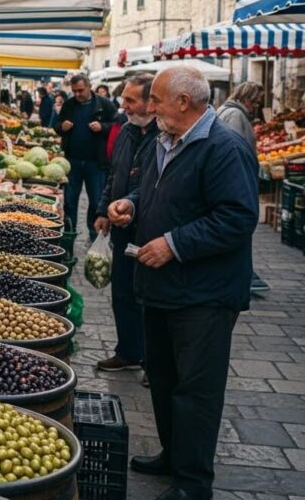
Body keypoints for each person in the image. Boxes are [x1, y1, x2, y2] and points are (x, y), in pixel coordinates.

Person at [107, 66, 258, 500]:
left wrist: (174, 244)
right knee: (164, 375)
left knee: (196, 389)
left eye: (154, 99)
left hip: (203, 293)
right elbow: (158, 195)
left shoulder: (223, 148)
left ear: (183, 103)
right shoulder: (165, 140)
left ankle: (193, 483)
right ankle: (172, 455)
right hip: (162, 286)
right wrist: (131, 205)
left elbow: (237, 217)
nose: (148, 107)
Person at [92, 74, 159, 382]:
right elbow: (113, 174)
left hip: (150, 232)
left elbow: (155, 186)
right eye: (124, 99)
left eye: (131, 100)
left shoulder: (164, 136)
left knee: (147, 297)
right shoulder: (126, 131)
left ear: (151, 102)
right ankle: (128, 353)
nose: (124, 105)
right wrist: (103, 209)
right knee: (122, 292)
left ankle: (152, 362)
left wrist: (129, 206)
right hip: (120, 227)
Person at [53, 74, 118, 237]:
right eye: (74, 91)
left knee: (96, 200)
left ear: (89, 86)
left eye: (80, 90)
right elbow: (56, 125)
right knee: (70, 200)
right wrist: (62, 127)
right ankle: (70, 231)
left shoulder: (105, 105)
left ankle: (94, 232)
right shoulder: (69, 105)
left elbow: (117, 127)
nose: (77, 94)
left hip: (95, 162)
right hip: (72, 161)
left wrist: (103, 127)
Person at [216, 81, 263, 152]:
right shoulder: (235, 114)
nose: (256, 106)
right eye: (255, 101)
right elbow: (235, 147)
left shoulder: (226, 109)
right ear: (246, 99)